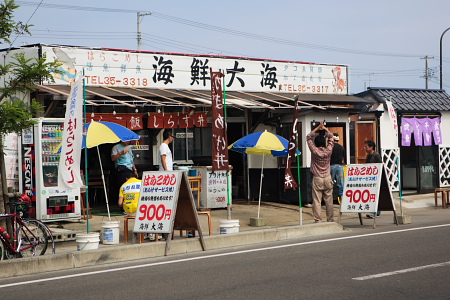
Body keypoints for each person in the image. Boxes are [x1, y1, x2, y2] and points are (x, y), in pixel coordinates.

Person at [306, 122, 335, 223]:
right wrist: (325, 129)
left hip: (317, 177)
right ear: (324, 143)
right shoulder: (329, 150)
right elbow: (332, 137)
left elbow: (308, 137)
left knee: (317, 200)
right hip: (327, 177)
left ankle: (318, 219)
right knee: (329, 200)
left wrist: (318, 128)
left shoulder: (314, 151)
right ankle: (330, 219)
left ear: (316, 143)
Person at [111, 140, 138, 205]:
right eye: (126, 140)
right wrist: (121, 153)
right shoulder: (116, 147)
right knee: (123, 186)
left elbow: (132, 160)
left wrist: (135, 170)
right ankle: (122, 205)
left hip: (130, 169)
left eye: (129, 140)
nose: (128, 142)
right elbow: (113, 158)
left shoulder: (129, 148)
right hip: (122, 168)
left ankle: (132, 203)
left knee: (131, 185)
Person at [364, 140, 382, 218]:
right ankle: (376, 211)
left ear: (371, 147)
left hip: (376, 178)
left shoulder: (376, 155)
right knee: (372, 195)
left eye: (366, 146)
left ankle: (374, 212)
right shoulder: (369, 156)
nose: (365, 148)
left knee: (375, 195)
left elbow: (381, 166)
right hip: (370, 178)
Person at [330, 133, 345, 201]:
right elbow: (343, 157)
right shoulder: (341, 147)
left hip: (331, 166)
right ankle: (341, 197)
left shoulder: (330, 147)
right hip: (340, 166)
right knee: (340, 183)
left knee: (330, 182)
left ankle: (330, 197)